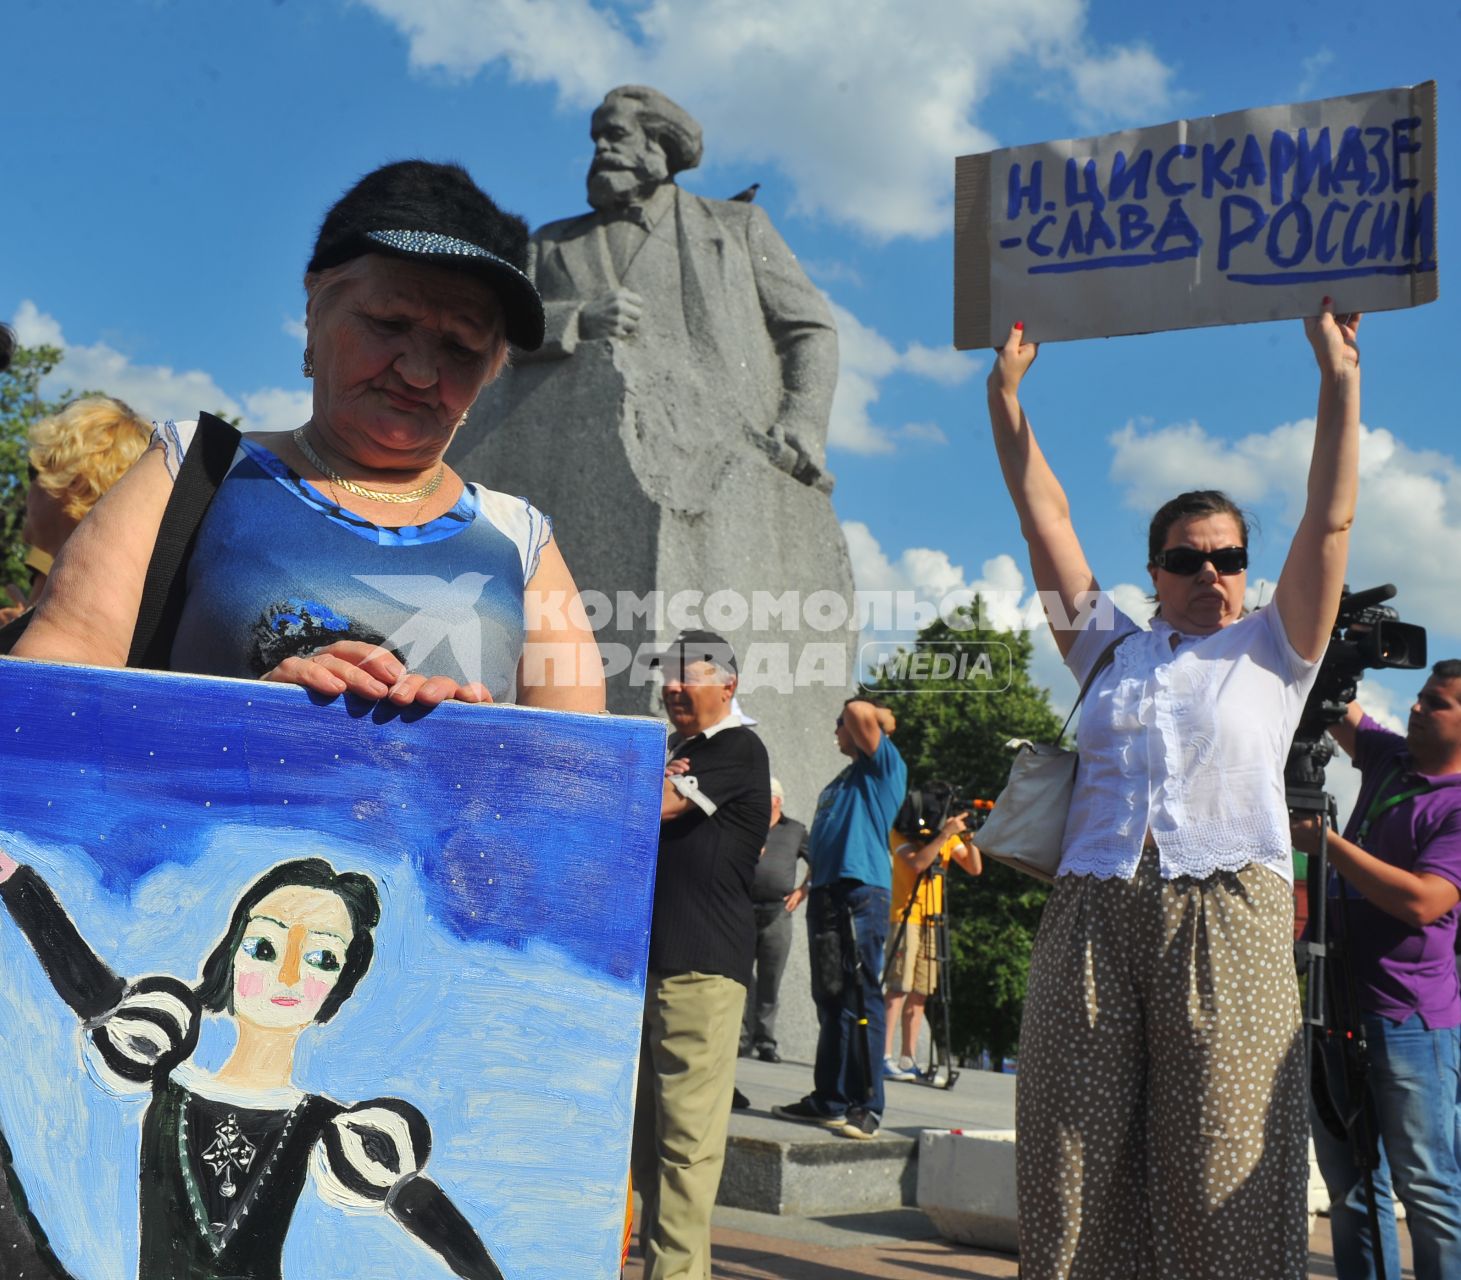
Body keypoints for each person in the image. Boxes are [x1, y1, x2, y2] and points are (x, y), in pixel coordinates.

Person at [987, 303, 1362, 1279]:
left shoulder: (1278, 647)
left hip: (1229, 912)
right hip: (1091, 912)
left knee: (1227, 1159)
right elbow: (1046, 519)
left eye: (1229, 557)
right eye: (1187, 558)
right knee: (1070, 1159)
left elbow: (1330, 516)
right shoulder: (1110, 645)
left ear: (1249, 570)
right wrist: (1006, 400)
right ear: (1153, 574)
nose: (1210, 573)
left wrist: (1338, 380)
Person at [9, 160, 602, 712]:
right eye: (389, 323)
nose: (420, 372)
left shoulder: (520, 539)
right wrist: (255, 719)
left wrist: (477, 749)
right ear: (316, 303)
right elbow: (46, 703)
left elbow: (586, 781)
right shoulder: (195, 468)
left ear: (494, 366)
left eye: (460, 347)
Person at [0, 847, 504, 1280]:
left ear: (338, 987)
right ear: (231, 956)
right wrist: (12, 878)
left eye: (322, 959)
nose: (286, 974)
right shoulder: (159, 1056)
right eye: (264, 947)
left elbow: (426, 1211)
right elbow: (89, 988)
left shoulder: (343, 1133)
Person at [523, 84, 839, 493]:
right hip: (571, 463)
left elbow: (809, 329)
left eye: (615, 135)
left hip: (726, 461)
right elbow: (498, 337)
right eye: (596, 138)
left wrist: (802, 422)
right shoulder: (549, 243)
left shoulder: (737, 228)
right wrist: (577, 319)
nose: (600, 148)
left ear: (659, 143)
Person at [1293, 661, 1461, 1280]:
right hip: (1337, 1003)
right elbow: (1344, 714)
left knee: (1429, 1190)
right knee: (1351, 1186)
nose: (1417, 709)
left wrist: (1328, 844)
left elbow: (1423, 902)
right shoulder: (1392, 759)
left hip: (1409, 1022)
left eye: (1437, 704)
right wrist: (1326, 661)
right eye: (1420, 697)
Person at [633, 629, 770, 1280]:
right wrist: (649, 774)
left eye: (690, 674)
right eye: (666, 675)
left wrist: (645, 781)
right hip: (650, 967)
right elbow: (649, 796)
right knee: (644, 1147)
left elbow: (653, 804)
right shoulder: (677, 752)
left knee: (683, 1153)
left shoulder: (736, 747)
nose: (673, 686)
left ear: (729, 686)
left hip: (699, 973)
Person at [773, 698, 907, 1140]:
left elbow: (860, 711)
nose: (837, 729)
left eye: (841, 725)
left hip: (860, 891)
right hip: (829, 891)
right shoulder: (840, 782)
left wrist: (881, 721)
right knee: (831, 998)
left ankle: (867, 1105)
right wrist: (809, 884)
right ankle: (829, 1099)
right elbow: (830, 841)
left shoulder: (882, 768)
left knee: (863, 993)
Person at [0, 396, 152, 626]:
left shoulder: (77, 616)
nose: (29, 487)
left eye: (34, 471)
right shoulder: (133, 598)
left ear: (74, 482)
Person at [883, 809, 980, 1081]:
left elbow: (974, 868)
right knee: (898, 987)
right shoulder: (901, 831)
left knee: (920, 991)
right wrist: (944, 835)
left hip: (933, 919)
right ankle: (883, 1056)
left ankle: (908, 1059)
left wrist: (969, 839)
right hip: (906, 916)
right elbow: (917, 864)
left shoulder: (947, 837)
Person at [740, 776, 810, 1065]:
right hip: (742, 909)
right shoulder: (747, 824)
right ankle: (739, 1038)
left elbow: (818, 861)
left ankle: (765, 1040)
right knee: (740, 977)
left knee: (770, 978)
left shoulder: (795, 830)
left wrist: (803, 890)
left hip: (777, 913)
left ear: (777, 801)